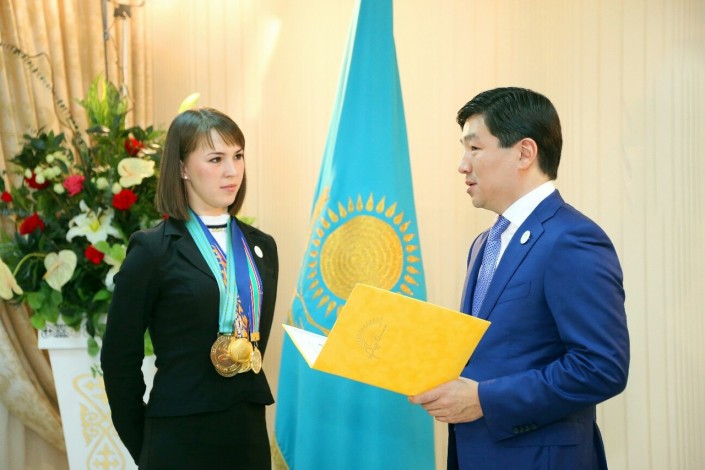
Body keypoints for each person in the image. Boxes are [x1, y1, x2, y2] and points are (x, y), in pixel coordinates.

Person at [409, 87, 629, 470]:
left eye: (474, 148)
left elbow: (600, 367)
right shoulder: (484, 243)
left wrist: (484, 400)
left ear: (525, 153)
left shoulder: (571, 239)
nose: (462, 165)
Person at [101, 108, 279, 469]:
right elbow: (119, 358)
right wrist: (146, 445)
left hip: (247, 434)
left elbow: (255, 338)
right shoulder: (153, 249)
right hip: (178, 436)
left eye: (238, 156)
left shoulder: (261, 246)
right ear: (182, 168)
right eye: (216, 159)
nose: (232, 171)